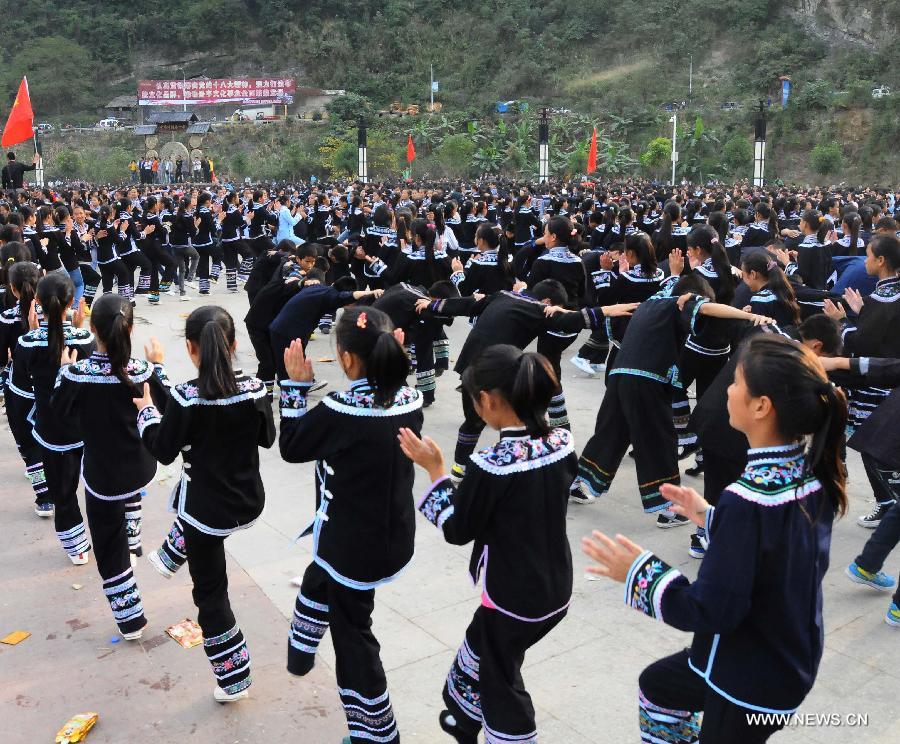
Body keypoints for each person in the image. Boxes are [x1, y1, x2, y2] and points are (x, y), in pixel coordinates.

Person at [583, 333, 848, 744]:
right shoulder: (811, 477)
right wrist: (708, 515)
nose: (727, 389)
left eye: (736, 381)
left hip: (747, 681)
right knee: (658, 686)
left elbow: (711, 609)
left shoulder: (750, 500)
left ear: (762, 407)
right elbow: (773, 548)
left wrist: (638, 572)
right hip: (780, 658)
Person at [399, 345, 575, 744]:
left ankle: (508, 734)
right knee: (480, 646)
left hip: (514, 597)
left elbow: (458, 529)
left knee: (500, 678)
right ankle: (463, 719)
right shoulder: (562, 443)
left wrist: (436, 472)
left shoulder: (492, 465)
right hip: (555, 586)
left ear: (488, 401)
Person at [279, 306, 422, 744]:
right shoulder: (410, 399)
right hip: (390, 532)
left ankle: (376, 735)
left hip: (354, 545)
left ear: (344, 359)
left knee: (354, 634)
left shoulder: (342, 410)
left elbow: (292, 445)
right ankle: (301, 652)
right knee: (319, 576)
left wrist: (294, 389)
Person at [134, 306, 276, 702]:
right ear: (232, 344)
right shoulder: (255, 390)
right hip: (247, 499)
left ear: (191, 348)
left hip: (206, 509)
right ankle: (171, 553)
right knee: (192, 517)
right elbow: (267, 438)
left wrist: (145, 411)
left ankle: (234, 680)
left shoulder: (187, 398)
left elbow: (163, 448)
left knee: (211, 594)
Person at [51, 294, 169, 639]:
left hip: (103, 474)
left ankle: (130, 620)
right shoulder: (145, 372)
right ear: (129, 328)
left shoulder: (76, 375)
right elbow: (165, 408)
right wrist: (158, 366)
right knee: (130, 496)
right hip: (141, 464)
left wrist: (61, 369)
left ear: (92, 328)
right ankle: (133, 538)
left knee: (107, 545)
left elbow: (61, 412)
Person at [15, 273, 95, 563]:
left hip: (50, 431)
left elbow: (20, 389)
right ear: (72, 303)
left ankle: (77, 549)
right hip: (86, 428)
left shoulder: (27, 342)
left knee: (63, 492)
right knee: (97, 488)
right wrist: (79, 329)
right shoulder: (86, 339)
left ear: (37, 303)